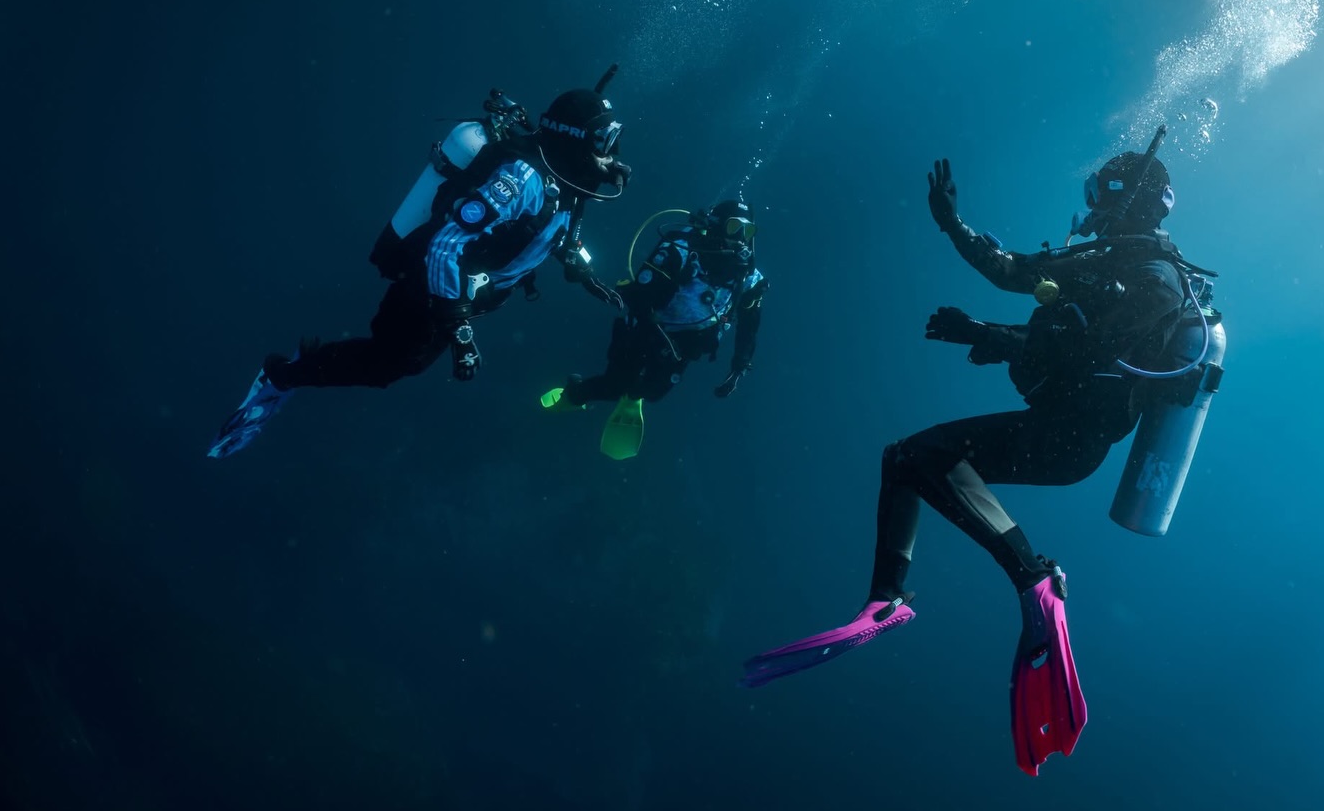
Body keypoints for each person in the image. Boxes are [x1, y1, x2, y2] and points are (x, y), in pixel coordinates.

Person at [739, 129, 1223, 776]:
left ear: (1123, 195)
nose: (1092, 205)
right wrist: (953, 226)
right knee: (906, 457)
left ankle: (1033, 575)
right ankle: (887, 598)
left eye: (1099, 189)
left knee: (920, 455)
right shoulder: (1116, 260)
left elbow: (1090, 354)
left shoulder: (1150, 276)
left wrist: (991, 334)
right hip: (1060, 430)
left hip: (1070, 440)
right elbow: (1016, 271)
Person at [207, 70, 632, 458]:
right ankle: (281, 377)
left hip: (465, 293)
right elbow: (446, 247)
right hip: (432, 287)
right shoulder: (522, 181)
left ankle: (304, 364)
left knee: (401, 360)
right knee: (389, 365)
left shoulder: (568, 182)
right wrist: (460, 328)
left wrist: (583, 269)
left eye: (610, 142)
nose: (609, 154)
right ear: (575, 139)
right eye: (603, 142)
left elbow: (546, 233)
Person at [540, 198, 768, 459]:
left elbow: (750, 323)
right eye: (733, 228)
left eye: (747, 231)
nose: (740, 238)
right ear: (716, 226)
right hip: (645, 326)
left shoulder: (749, 277)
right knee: (615, 384)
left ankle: (635, 392)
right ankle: (574, 393)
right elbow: (642, 295)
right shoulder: (680, 248)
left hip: (684, 345)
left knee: (653, 392)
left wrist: (739, 365)